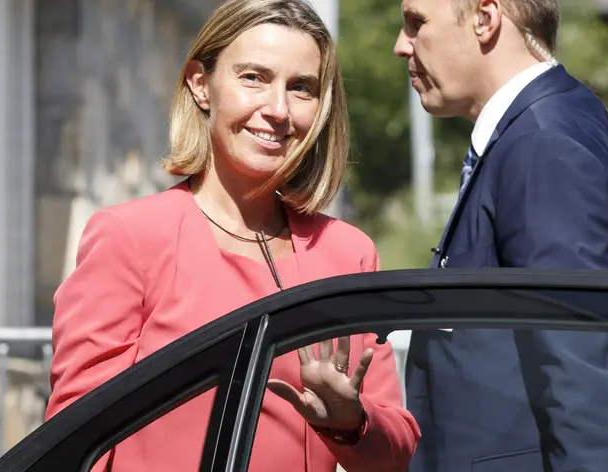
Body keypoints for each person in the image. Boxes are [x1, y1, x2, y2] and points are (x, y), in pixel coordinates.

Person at [44, 1, 420, 471]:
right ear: (201, 84)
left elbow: (397, 451)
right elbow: (75, 444)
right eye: (254, 78)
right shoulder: (130, 238)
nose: (278, 110)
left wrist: (351, 422)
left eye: (301, 87)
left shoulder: (348, 253)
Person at [393, 1, 608, 471]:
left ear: (485, 18)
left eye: (417, 23)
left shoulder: (545, 147)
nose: (402, 46)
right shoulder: (553, 125)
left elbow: (586, 391)